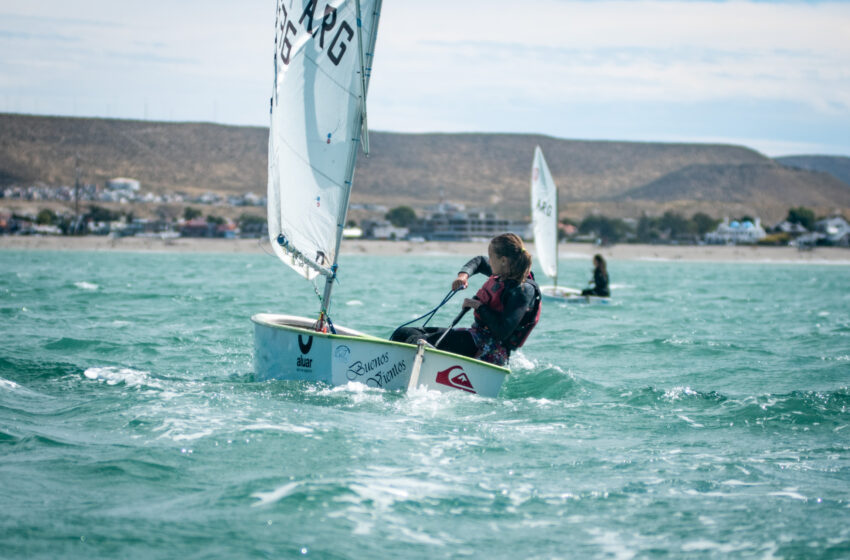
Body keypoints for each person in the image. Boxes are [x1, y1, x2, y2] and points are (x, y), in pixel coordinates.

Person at [391, 233, 541, 366]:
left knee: (420, 341)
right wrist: (463, 275)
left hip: (491, 349)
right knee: (404, 333)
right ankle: (391, 367)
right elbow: (480, 261)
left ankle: (424, 366)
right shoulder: (504, 272)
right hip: (476, 336)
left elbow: (503, 331)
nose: (489, 260)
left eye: (491, 257)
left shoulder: (523, 290)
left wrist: (478, 306)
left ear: (503, 260)